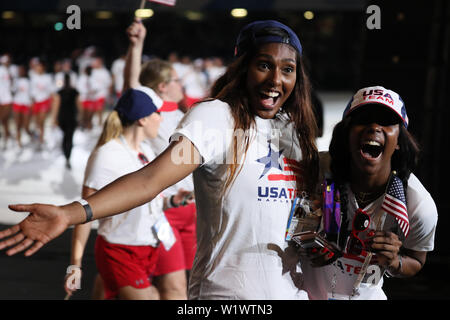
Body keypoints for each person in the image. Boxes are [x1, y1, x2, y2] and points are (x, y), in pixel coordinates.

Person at [0, 19, 319, 300]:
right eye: (264, 65)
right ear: (242, 66)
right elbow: (150, 179)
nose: (276, 79)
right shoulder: (216, 118)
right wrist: (71, 213)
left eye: (287, 69)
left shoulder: (293, 133)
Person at [297, 86, 438, 300]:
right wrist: (306, 240)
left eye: (385, 121)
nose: (374, 127)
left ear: (400, 141)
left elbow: (417, 261)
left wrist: (394, 261)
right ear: (346, 134)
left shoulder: (417, 204)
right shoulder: (317, 171)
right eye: (363, 119)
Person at [62, 85, 192, 300]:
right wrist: (75, 265)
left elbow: (144, 199)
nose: (161, 119)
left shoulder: (144, 150)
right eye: (157, 114)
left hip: (146, 248)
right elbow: (84, 212)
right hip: (120, 250)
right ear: (142, 119)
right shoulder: (107, 155)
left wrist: (171, 201)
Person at [127, 20, 196, 300]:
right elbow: (132, 86)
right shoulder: (151, 113)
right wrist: (137, 45)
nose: (183, 85)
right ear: (164, 86)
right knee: (173, 288)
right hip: (165, 212)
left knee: (190, 285)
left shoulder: (186, 115)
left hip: (193, 212)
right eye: (178, 80)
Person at [51, 73, 81, 169]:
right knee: (70, 138)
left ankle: (66, 156)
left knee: (65, 137)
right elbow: (79, 106)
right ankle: (68, 157)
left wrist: (54, 119)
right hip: (72, 118)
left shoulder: (60, 92)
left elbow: (56, 106)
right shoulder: (75, 92)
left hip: (63, 118)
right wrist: (80, 117)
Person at [11, 64, 32, 148]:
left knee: (26, 125)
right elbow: (12, 91)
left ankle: (32, 136)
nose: (20, 72)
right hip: (17, 104)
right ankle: (18, 142)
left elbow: (31, 94)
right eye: (19, 70)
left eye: (22, 70)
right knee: (18, 124)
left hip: (26, 104)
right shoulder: (15, 81)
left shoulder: (29, 81)